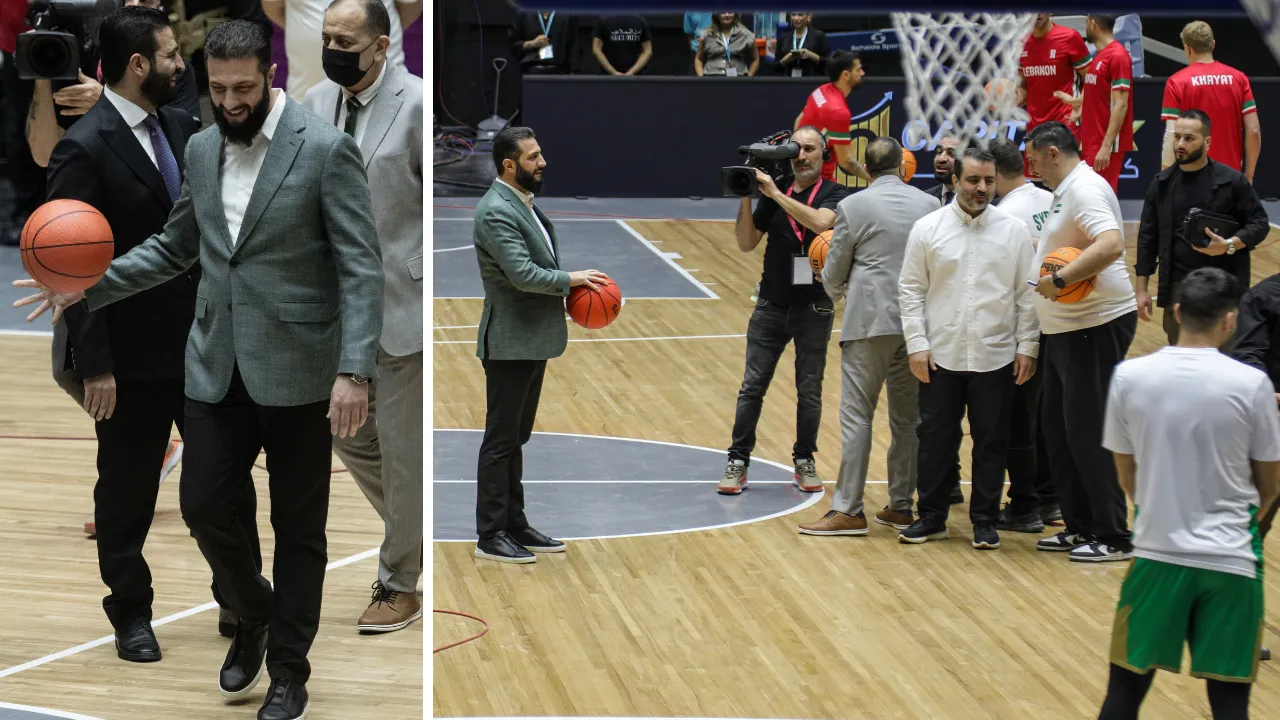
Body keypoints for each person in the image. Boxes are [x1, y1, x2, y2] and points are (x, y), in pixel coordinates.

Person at [16, 19, 383, 720]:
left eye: (243, 87)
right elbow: (174, 246)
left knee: (297, 530)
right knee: (202, 506)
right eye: (218, 89)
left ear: (269, 74)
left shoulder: (326, 151)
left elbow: (361, 270)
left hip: (303, 369)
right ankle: (252, 610)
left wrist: (355, 371)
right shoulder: (203, 146)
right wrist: (88, 286)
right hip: (215, 364)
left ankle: (288, 672)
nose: (231, 100)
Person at [38, 3, 264, 661]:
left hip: (205, 348)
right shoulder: (83, 148)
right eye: (170, 56)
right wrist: (95, 361)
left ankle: (239, 598)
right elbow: (69, 266)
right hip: (129, 361)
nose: (179, 64)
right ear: (138, 65)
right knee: (127, 494)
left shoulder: (183, 127)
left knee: (223, 484)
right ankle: (131, 614)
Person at [1098, 267, 1280, 720]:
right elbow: (1271, 486)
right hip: (1232, 564)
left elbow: (1126, 474)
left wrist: (1161, 513)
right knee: (1230, 703)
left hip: (1157, 558)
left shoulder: (1129, 376)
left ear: (1176, 312)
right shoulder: (1252, 384)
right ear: (1230, 320)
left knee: (1123, 695)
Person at [301, 0, 423, 632]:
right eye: (325, 37)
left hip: (402, 304)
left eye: (344, 40)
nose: (332, 49)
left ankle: (399, 581)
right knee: (347, 433)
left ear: (380, 45)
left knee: (403, 456)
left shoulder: (418, 106)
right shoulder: (313, 104)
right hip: (333, 310)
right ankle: (417, 530)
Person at [471, 126, 608, 564]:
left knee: (516, 437)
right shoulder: (496, 211)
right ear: (509, 165)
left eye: (541, 153)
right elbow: (524, 274)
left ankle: (515, 523)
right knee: (500, 439)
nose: (542, 162)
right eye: (532, 157)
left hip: (530, 338)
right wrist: (573, 281)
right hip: (510, 341)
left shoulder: (523, 203)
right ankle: (490, 533)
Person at [895, 146, 1039, 550]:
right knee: (936, 439)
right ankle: (933, 517)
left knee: (992, 441)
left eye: (989, 181)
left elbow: (1025, 295)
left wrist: (1027, 344)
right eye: (974, 180)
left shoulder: (1013, 230)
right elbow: (910, 290)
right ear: (955, 180)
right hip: (940, 355)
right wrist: (917, 344)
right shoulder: (927, 228)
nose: (982, 188)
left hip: (996, 356)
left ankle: (985, 521)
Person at [795, 137, 937, 537]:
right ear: (901, 166)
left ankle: (848, 510)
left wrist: (836, 290)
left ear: (867, 170)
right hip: (916, 327)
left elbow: (834, 268)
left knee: (857, 418)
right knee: (907, 421)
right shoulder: (929, 205)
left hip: (867, 323)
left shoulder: (852, 206)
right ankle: (901, 506)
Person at [1025, 121, 1138, 563]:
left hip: (1094, 325)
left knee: (1088, 432)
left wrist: (1062, 278)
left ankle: (1113, 534)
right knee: (1057, 429)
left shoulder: (1085, 188)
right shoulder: (1065, 190)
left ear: (1054, 153)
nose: (1031, 168)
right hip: (1065, 329)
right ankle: (1080, 526)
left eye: (1034, 160)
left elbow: (1111, 243)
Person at [719, 126, 849, 495]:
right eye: (797, 149)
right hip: (771, 305)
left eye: (809, 149)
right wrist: (746, 196)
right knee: (752, 387)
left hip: (815, 307)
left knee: (809, 390)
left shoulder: (836, 194)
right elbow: (746, 243)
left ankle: (804, 459)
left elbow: (821, 222)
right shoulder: (772, 196)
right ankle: (737, 460)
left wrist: (775, 192)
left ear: (824, 156)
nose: (801, 155)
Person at [1135, 110, 1269, 346]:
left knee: (1226, 361)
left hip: (1224, 289)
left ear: (1207, 142)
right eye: (1177, 137)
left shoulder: (1232, 181)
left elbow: (1259, 223)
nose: (1180, 144)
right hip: (1178, 291)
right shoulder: (1162, 184)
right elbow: (1148, 238)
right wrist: (1141, 289)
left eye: (1189, 138)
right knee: (1184, 363)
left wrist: (1229, 245)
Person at [26, 0, 201, 169]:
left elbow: (182, 157)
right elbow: (45, 156)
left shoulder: (173, 70)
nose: (133, 5)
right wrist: (42, 73)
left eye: (146, 1)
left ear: (161, 7)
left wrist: (108, 105)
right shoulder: (77, 63)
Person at [988, 138, 1060, 531]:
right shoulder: (1051, 200)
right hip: (1054, 319)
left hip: (1021, 329)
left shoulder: (1005, 215)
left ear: (995, 174)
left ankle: (1023, 506)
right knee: (1044, 419)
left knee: (1018, 423)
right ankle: (1051, 501)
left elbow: (1004, 282)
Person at [1160, 21, 1261, 181]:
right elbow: (1253, 131)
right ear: (1213, 45)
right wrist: (1248, 175)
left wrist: (1165, 177)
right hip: (1231, 178)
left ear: (1187, 48)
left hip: (1190, 179)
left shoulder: (1176, 82)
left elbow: (1171, 135)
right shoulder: (1239, 79)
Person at [261, 0, 420, 101]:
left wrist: (370, 37)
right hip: (304, 99)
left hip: (389, 101)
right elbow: (273, 7)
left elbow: (410, 8)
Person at [1017, 12, 1090, 178]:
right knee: (1036, 188)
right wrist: (1011, 99)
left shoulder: (1069, 37)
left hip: (1065, 126)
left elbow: (1092, 77)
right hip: (1034, 129)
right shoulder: (1021, 43)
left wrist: (1081, 102)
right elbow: (1025, 87)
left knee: (1066, 183)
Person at [794, 50, 870, 183]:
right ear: (846, 75)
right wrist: (873, 180)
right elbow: (846, 161)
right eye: (858, 70)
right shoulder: (838, 112)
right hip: (816, 180)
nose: (862, 73)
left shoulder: (821, 90)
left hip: (802, 171)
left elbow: (798, 121)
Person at [1077, 14, 1133, 193]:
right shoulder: (1100, 57)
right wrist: (1075, 104)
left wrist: (1106, 146)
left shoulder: (1118, 56)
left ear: (1093, 25)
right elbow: (1099, 98)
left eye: (1086, 22)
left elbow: (1121, 104)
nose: (1085, 27)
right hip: (1091, 142)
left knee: (1101, 201)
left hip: (1104, 145)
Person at [694, 13, 758, 78]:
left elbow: (755, 59)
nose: (727, 15)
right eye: (723, 12)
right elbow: (698, 59)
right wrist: (701, 77)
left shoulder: (746, 35)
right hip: (711, 78)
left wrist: (749, 77)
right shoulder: (706, 35)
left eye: (730, 12)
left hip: (738, 79)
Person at [775, 13, 829, 78]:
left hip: (812, 80)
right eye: (793, 15)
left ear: (808, 17)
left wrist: (810, 55)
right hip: (788, 81)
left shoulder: (819, 36)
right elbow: (775, 66)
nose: (796, 18)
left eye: (800, 15)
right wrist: (787, 58)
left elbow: (828, 62)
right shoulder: (783, 37)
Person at [924, 132, 961, 205]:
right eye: (939, 152)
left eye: (951, 153)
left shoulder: (982, 201)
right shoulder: (924, 198)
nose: (941, 159)